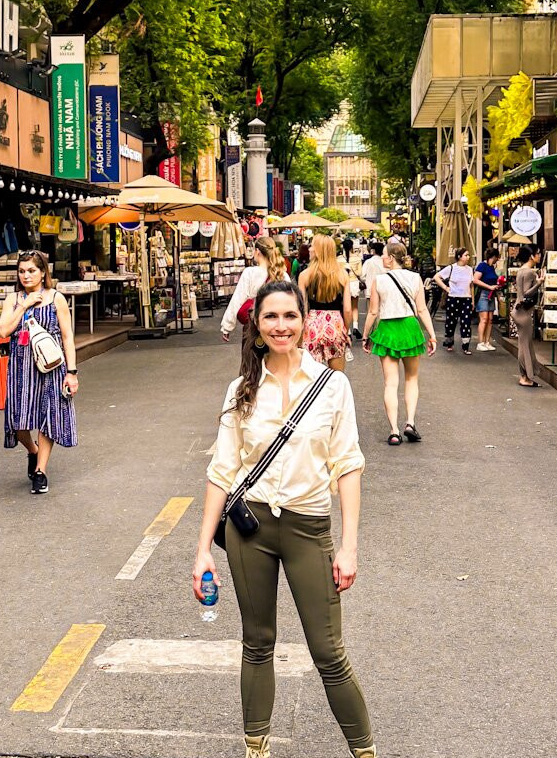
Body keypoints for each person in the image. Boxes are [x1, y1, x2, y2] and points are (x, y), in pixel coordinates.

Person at [193, 280, 376, 758]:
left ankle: (365, 751)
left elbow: (348, 465)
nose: (281, 326)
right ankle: (257, 747)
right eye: (271, 317)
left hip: (307, 528)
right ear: (256, 325)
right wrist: (201, 552)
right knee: (257, 643)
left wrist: (349, 544)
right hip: (248, 528)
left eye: (289, 316)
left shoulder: (333, 386)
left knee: (329, 653)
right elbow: (222, 470)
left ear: (304, 319)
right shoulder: (242, 388)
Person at [0, 251, 78, 494]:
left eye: (31, 270)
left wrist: (71, 372)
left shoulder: (56, 299)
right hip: (21, 367)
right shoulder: (13, 300)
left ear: (43, 272)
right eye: (22, 271)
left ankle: (40, 471)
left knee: (48, 416)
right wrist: (23, 306)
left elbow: (67, 336)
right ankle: (32, 451)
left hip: (51, 367)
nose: (26, 275)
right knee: (18, 420)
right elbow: (3, 331)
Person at [362, 242, 437, 445]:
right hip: (410, 328)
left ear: (392, 257)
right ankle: (410, 423)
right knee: (411, 379)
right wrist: (432, 335)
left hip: (387, 329)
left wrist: (366, 335)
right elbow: (422, 309)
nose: (382, 258)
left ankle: (394, 431)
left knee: (391, 383)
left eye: (385, 255)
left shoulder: (380, 280)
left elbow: (373, 312)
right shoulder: (415, 278)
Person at [299, 234, 352, 371]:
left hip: (312, 323)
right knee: (337, 376)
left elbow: (301, 308)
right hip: (335, 324)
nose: (309, 249)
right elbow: (347, 309)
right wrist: (345, 329)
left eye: (312, 246)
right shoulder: (343, 275)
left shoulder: (305, 275)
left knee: (310, 375)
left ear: (317, 250)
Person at [221, 237, 290, 342]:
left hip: (253, 326)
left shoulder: (250, 273)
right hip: (276, 327)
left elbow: (237, 300)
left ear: (257, 251)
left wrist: (227, 326)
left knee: (252, 356)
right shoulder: (282, 274)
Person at [513, 245, 545, 387]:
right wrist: (538, 283)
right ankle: (525, 376)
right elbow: (527, 293)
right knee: (525, 345)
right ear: (532, 256)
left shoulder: (521, 271)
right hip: (524, 312)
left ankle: (526, 375)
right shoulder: (530, 273)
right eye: (538, 253)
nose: (540, 255)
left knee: (523, 344)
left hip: (519, 310)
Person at [433, 248, 475, 354]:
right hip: (453, 297)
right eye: (466, 255)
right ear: (459, 257)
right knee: (451, 321)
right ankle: (449, 342)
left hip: (466, 298)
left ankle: (466, 345)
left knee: (466, 322)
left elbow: (471, 285)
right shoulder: (451, 268)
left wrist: (472, 300)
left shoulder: (470, 269)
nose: (468, 257)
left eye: (468, 255)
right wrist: (446, 288)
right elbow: (437, 277)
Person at [473, 248, 501, 352]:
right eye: (496, 258)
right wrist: (489, 287)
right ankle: (480, 342)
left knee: (490, 319)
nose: (497, 260)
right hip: (483, 294)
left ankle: (487, 341)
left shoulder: (492, 267)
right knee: (484, 319)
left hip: (491, 294)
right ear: (493, 257)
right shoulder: (482, 266)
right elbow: (475, 279)